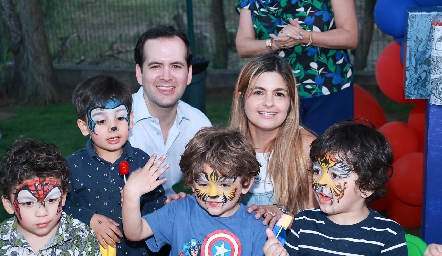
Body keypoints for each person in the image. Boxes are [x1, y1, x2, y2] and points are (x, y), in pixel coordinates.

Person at [263, 120, 408, 255]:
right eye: (317, 171)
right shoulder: (302, 224)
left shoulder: (388, 235)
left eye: (335, 175)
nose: (321, 182)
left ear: (367, 186)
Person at [122, 126, 268, 255]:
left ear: (246, 184)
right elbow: (135, 233)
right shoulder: (179, 211)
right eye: (203, 184)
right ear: (192, 183)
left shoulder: (257, 227)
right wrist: (131, 194)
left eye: (224, 185)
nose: (213, 193)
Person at [64, 74, 166, 255]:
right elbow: (59, 208)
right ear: (84, 126)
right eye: (101, 121)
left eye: (120, 118)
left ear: (131, 119)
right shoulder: (73, 166)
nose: (113, 127)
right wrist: (89, 219)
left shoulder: (143, 163)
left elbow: (157, 205)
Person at [235, 0, 358, 135]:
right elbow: (243, 46)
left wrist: (305, 36)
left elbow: (350, 36)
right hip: (275, 93)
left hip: (328, 87)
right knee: (277, 151)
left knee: (329, 152)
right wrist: (274, 44)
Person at [230, 53, 317, 226]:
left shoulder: (306, 148)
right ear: (240, 97)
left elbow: (314, 225)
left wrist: (282, 218)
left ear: (291, 101)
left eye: (279, 94)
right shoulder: (226, 148)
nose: (269, 103)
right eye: (259, 92)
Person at [130, 25, 212, 197]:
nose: (166, 76)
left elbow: (213, 187)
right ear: (139, 73)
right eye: (155, 66)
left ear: (189, 73)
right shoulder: (115, 121)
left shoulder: (199, 125)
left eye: (175, 66)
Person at [0, 139, 100, 255]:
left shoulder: (83, 238)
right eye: (28, 203)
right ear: (8, 204)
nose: (42, 212)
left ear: (63, 198)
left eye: (51, 200)